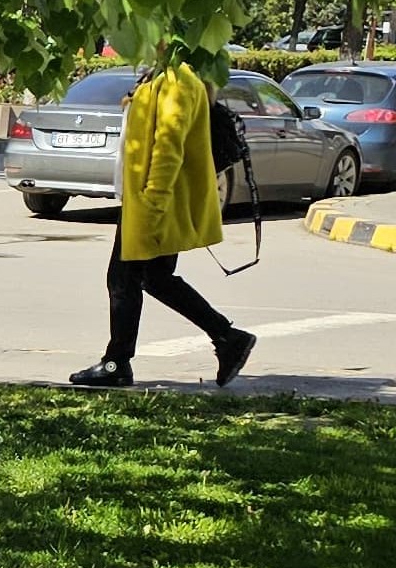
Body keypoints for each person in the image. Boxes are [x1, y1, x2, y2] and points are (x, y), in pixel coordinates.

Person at [67, 61, 256, 389]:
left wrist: (153, 201)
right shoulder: (166, 76)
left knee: (123, 279)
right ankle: (227, 337)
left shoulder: (177, 80)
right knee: (154, 277)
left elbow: (168, 147)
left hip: (153, 201)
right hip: (148, 199)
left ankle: (117, 363)